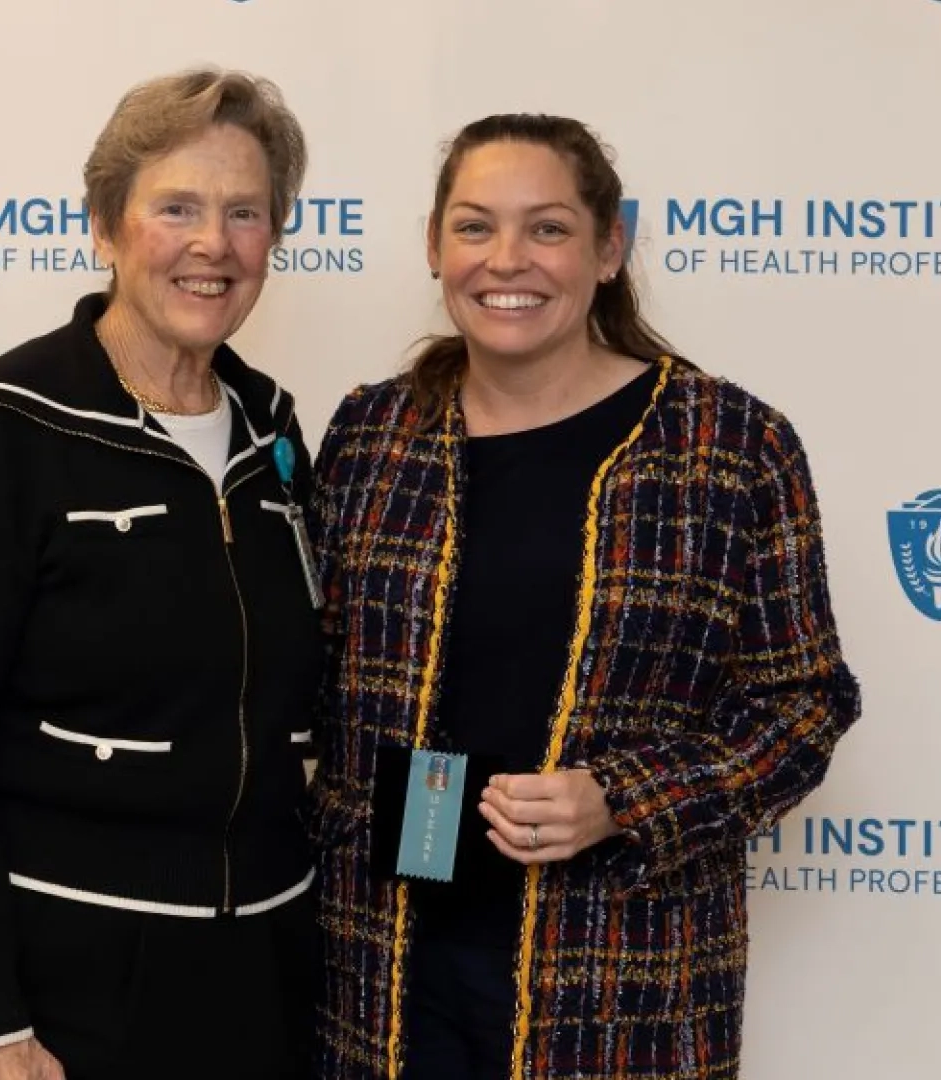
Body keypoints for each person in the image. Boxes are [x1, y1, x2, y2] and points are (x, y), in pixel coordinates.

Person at [308, 114, 863, 1080]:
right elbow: (303, 684)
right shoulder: (372, 433)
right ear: (434, 246)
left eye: (549, 228)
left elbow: (804, 706)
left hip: (625, 986)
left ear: (610, 249)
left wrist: (622, 798)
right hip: (381, 973)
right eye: (475, 226)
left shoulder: (729, 447)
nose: (507, 260)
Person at [0, 69, 321, 1080]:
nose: (214, 243)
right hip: (57, 986)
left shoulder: (276, 434)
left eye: (244, 213)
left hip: (254, 973)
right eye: (178, 207)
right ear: (109, 226)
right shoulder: (8, 423)